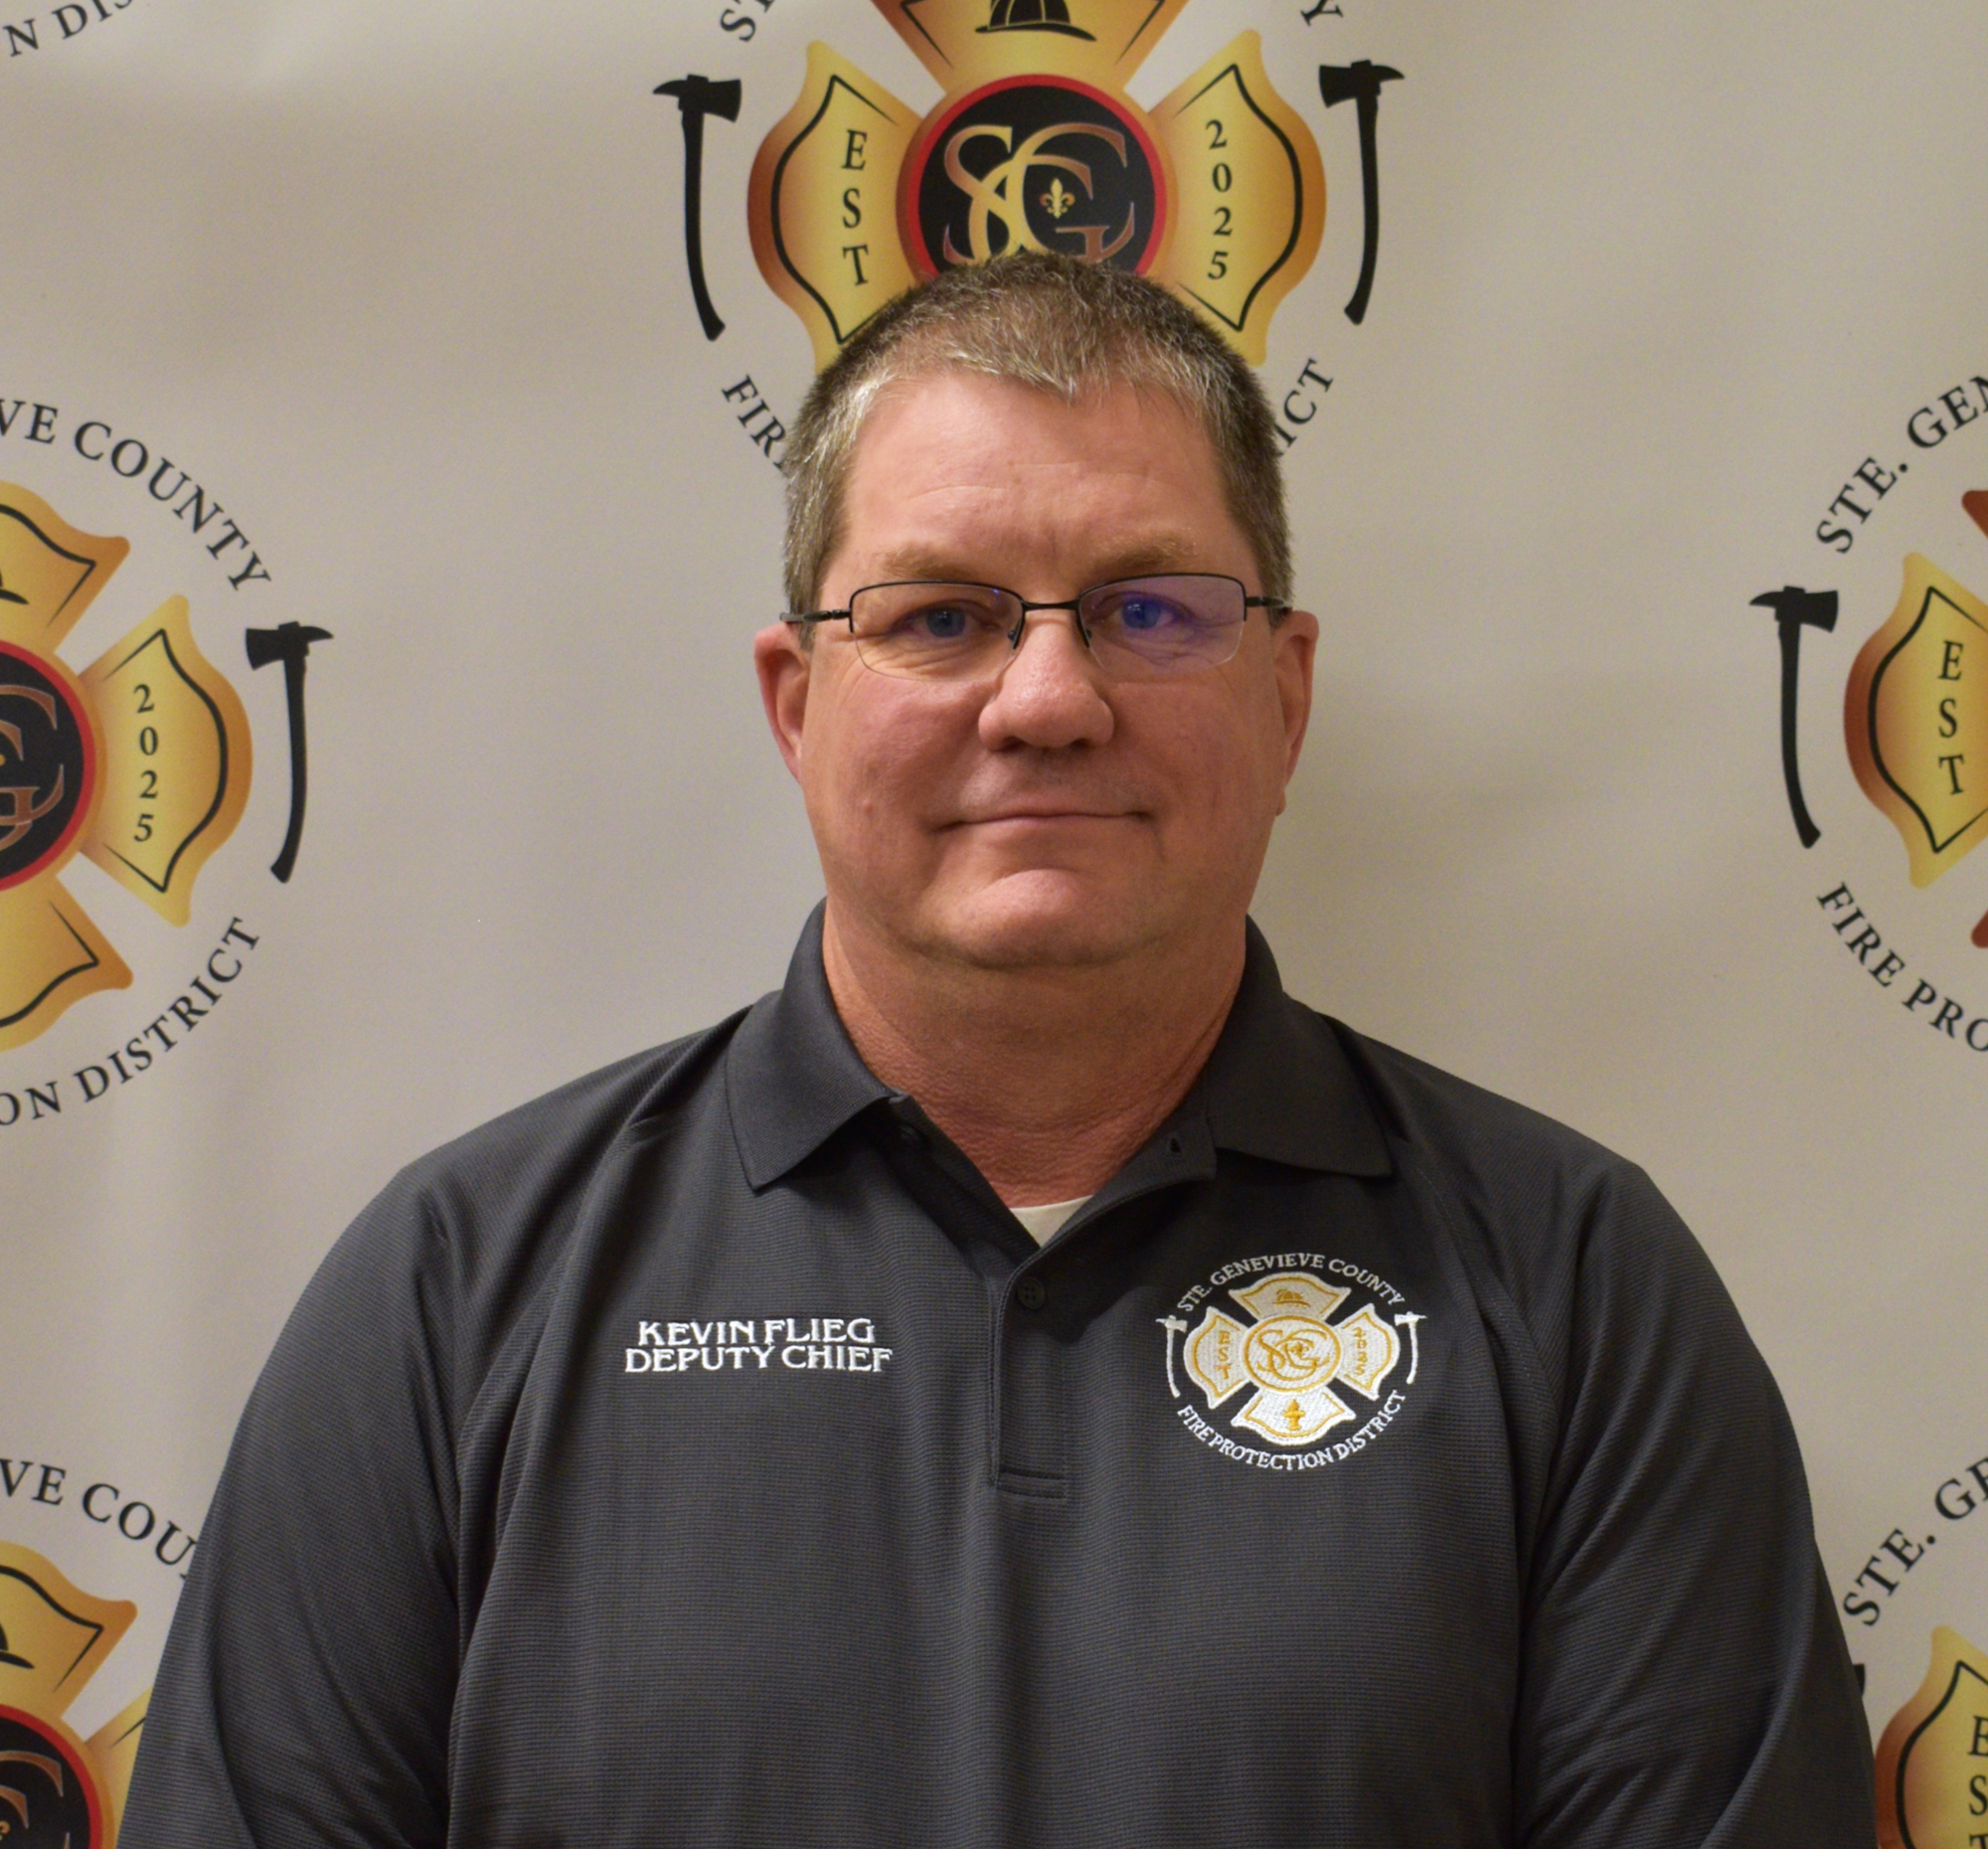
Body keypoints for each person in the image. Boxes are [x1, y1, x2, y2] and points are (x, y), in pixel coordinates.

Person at [123, 252, 1875, 1847]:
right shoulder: (458, 1291)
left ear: (1286, 696)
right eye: (942, 616)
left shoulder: (1572, 1286)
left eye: (1153, 610)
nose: (1047, 700)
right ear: (799, 709)